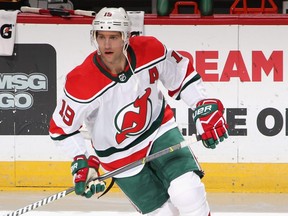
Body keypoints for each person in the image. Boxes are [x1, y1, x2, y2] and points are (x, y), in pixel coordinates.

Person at [49, 7, 228, 216]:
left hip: (158, 131)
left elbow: (182, 76)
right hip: (118, 155)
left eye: (114, 37)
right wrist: (83, 161)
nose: (106, 44)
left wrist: (201, 104)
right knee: (165, 213)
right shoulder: (81, 81)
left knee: (188, 192)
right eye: (101, 36)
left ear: (126, 36)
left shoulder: (150, 49)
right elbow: (61, 130)